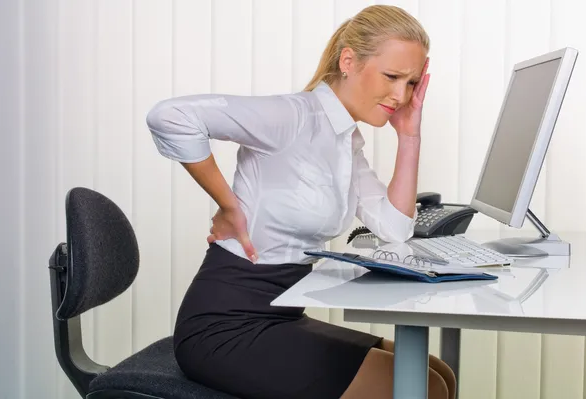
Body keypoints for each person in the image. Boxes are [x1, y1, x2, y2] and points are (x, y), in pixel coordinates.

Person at [146, 4, 455, 399]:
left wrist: (409, 137)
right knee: (424, 386)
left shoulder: (346, 141)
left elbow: (395, 227)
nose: (400, 95)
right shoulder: (292, 116)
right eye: (392, 77)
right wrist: (228, 205)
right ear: (349, 61)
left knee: (437, 372)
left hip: (280, 313)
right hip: (225, 325)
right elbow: (169, 116)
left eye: (411, 83)